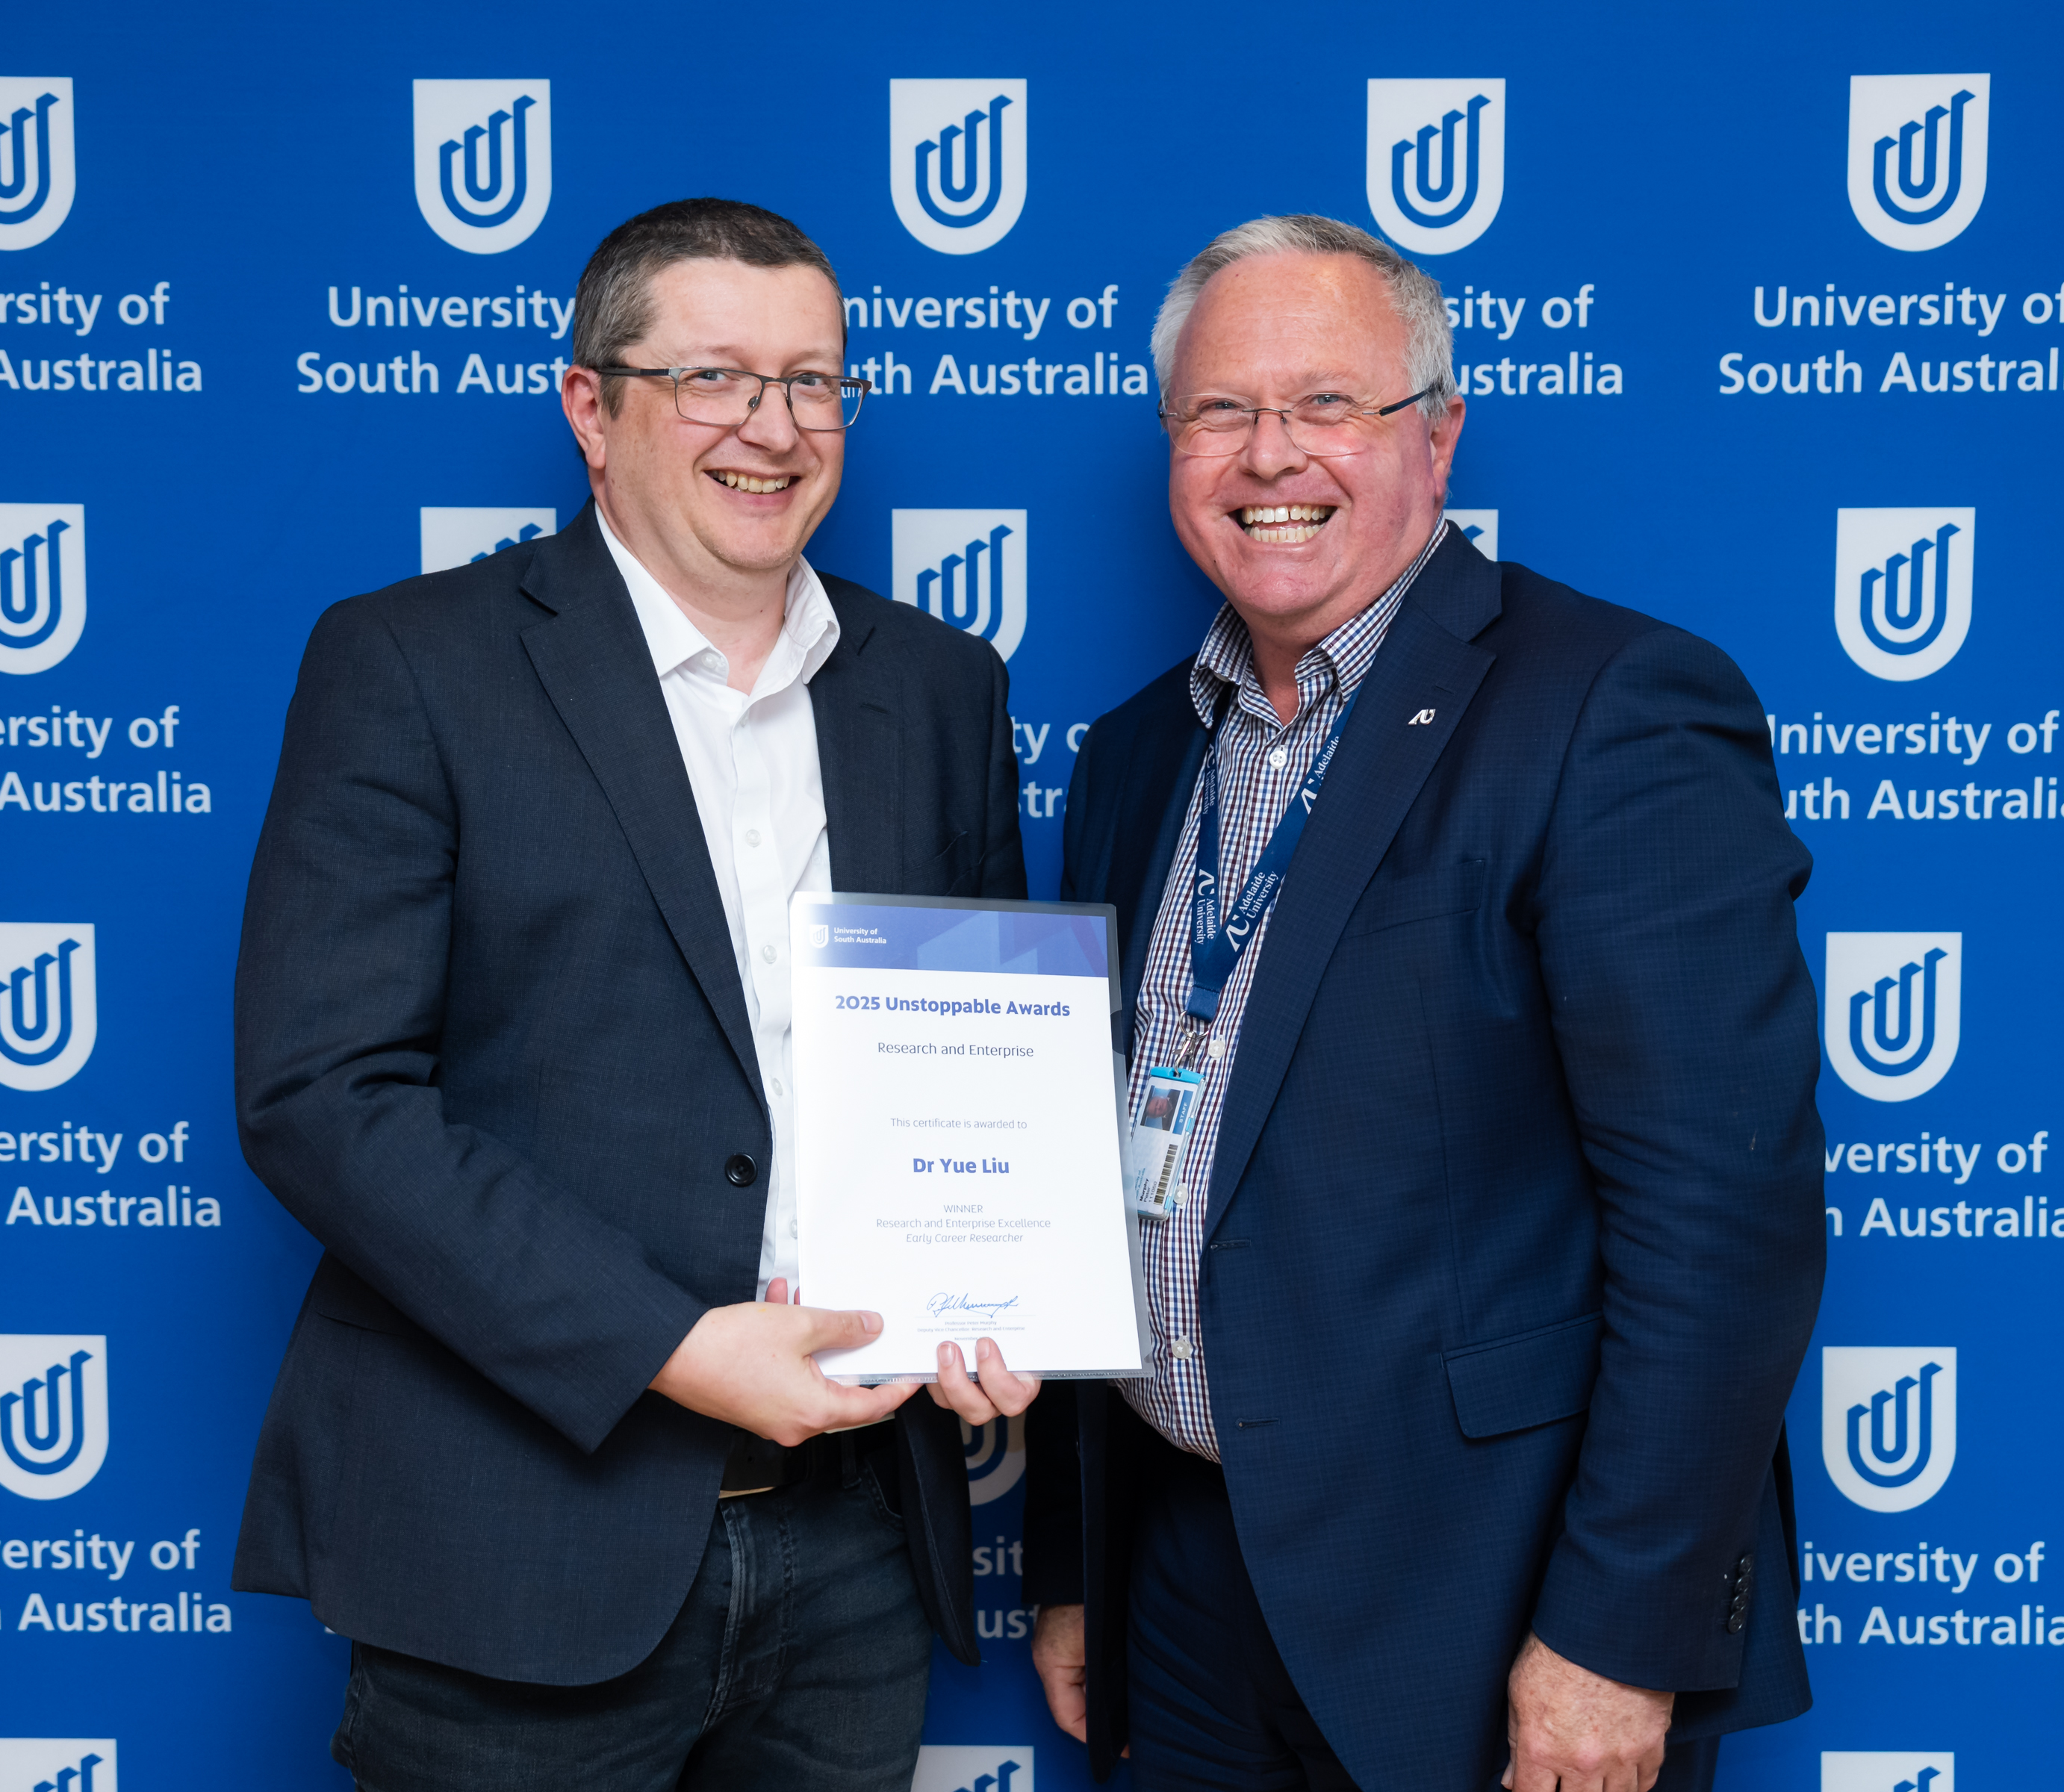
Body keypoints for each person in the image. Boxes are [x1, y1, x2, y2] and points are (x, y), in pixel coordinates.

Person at [231, 197, 1039, 1792]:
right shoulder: (412, 663)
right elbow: (323, 1096)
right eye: (715, 379)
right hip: (514, 1545)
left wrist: (991, 1285)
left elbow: (979, 1073)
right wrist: (669, 1343)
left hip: (856, 1546)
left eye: (814, 382)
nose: (774, 427)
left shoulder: (940, 688)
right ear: (591, 409)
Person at [1022, 214, 1826, 1792]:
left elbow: (1722, 1222)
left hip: (1482, 1602)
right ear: (1171, 444)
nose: (1272, 456)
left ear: (1437, 434)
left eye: (1330, 404)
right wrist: (1076, 1559)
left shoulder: (1612, 709)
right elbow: (1097, 1176)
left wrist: (1620, 1637)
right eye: (1221, 413)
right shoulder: (1136, 755)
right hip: (1182, 1588)